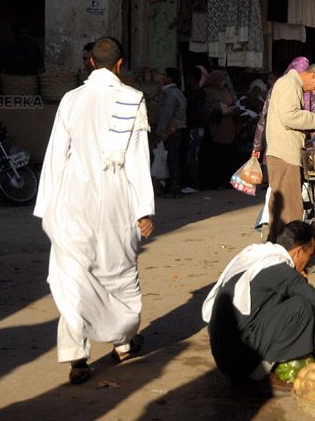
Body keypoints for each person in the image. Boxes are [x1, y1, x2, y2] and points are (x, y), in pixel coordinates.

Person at [33, 37, 155, 385]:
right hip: (117, 202)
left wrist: (48, 207)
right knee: (119, 273)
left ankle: (77, 358)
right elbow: (136, 160)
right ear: (120, 64)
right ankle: (123, 342)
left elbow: (57, 155)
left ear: (90, 63)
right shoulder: (132, 100)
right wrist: (144, 210)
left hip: (73, 201)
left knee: (76, 278)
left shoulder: (71, 99)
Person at [202, 221, 315, 388]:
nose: (309, 263)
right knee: (302, 305)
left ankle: (254, 369)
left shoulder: (260, 254)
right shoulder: (279, 268)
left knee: (297, 300)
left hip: (225, 349)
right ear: (297, 252)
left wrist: (298, 283)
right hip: (236, 358)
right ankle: (260, 374)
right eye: (309, 256)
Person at [265, 63, 315, 242]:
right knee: (290, 209)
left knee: (281, 208)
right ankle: (287, 252)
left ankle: (277, 249)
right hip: (284, 154)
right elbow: (289, 117)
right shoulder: (289, 84)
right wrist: (314, 119)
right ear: (313, 76)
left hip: (284, 152)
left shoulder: (290, 84)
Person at [252, 57, 315, 163]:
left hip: (278, 145)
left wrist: (257, 146)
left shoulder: (279, 86)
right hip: (296, 144)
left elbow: (264, 118)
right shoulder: (310, 91)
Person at [201, 70, 238, 190]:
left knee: (228, 156)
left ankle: (227, 181)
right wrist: (222, 112)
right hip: (216, 129)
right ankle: (216, 182)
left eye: (224, 80)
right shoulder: (207, 92)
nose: (223, 82)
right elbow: (207, 110)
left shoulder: (225, 91)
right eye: (221, 80)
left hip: (228, 127)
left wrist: (233, 110)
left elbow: (232, 103)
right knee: (216, 157)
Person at [156, 67, 187, 198]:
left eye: (165, 75)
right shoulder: (178, 92)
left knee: (171, 161)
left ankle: (174, 189)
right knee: (173, 160)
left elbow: (166, 115)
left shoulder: (169, 94)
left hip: (171, 131)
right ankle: (172, 188)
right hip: (178, 129)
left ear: (170, 78)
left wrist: (160, 132)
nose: (163, 78)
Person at [181, 67, 209, 194]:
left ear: (192, 79)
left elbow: (196, 113)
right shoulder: (201, 94)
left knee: (192, 157)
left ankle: (193, 184)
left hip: (194, 129)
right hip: (198, 128)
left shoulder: (194, 95)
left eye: (188, 77)